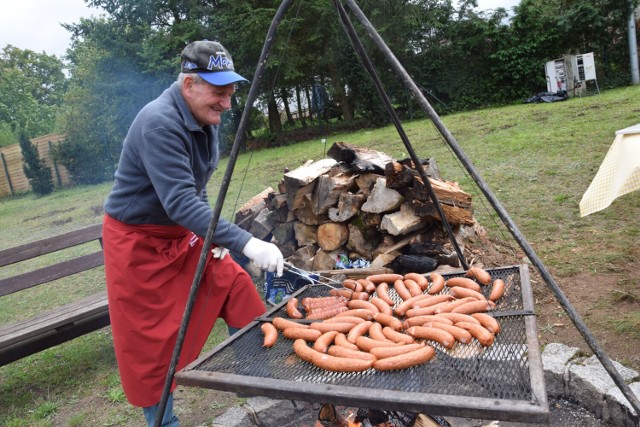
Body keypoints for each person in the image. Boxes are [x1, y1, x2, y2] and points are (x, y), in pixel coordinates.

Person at [102, 40, 284, 427]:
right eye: (219, 93)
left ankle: (256, 382)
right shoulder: (158, 123)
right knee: (150, 346)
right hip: (138, 244)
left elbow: (196, 187)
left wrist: (211, 238)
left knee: (235, 284)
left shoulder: (203, 118)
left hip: (179, 233)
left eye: (231, 93)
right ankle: (163, 422)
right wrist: (246, 241)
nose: (227, 103)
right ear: (189, 85)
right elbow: (181, 202)